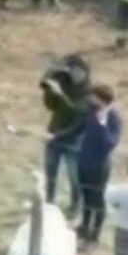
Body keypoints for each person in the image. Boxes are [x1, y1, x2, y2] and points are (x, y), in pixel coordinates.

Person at [40, 54, 91, 216]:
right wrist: (50, 90)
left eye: (77, 71)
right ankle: (49, 201)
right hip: (54, 134)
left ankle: (75, 205)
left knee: (74, 177)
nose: (73, 74)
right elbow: (51, 106)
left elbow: (78, 113)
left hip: (74, 141)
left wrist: (61, 93)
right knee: (50, 173)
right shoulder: (64, 81)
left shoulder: (89, 92)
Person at [75, 84, 123, 251]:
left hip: (99, 167)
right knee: (85, 197)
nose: (89, 99)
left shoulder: (114, 118)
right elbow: (79, 127)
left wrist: (102, 125)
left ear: (102, 99)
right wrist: (57, 136)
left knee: (97, 202)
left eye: (93, 97)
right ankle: (84, 226)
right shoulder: (91, 110)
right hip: (83, 162)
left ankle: (94, 236)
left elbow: (109, 144)